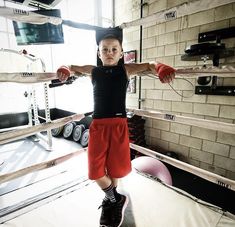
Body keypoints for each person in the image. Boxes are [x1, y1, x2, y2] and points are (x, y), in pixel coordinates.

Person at [57, 27, 175, 227]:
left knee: (115, 169)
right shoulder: (93, 71)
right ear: (98, 52)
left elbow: (150, 65)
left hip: (119, 125)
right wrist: (64, 69)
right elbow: (72, 66)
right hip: (98, 126)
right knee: (95, 171)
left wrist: (162, 68)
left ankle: (111, 201)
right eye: (105, 49)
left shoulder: (125, 70)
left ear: (121, 53)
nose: (109, 53)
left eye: (114, 49)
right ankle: (114, 199)